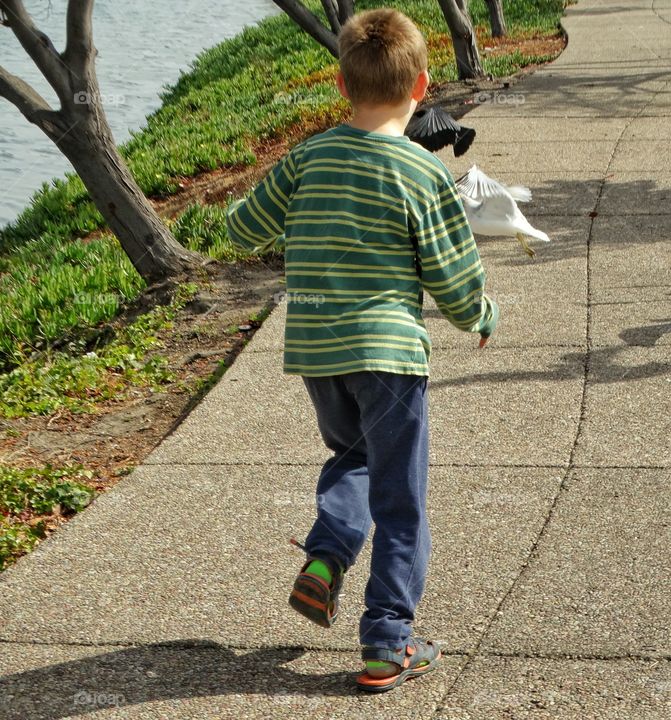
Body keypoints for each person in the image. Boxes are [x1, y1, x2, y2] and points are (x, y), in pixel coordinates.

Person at [225, 7, 498, 693]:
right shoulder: (421, 174)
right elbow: (450, 271)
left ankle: (326, 557)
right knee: (401, 499)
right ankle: (387, 643)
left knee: (351, 456)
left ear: (341, 86)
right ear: (421, 86)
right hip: (391, 359)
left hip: (319, 351)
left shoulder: (309, 157)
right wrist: (480, 315)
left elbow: (241, 227)